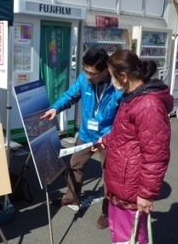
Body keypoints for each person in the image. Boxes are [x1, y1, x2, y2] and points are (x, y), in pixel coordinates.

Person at [93, 50, 173, 243]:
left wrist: (146, 194)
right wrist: (105, 141)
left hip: (131, 187)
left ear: (123, 76)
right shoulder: (133, 97)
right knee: (122, 234)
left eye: (112, 76)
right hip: (122, 182)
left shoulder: (148, 105)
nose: (111, 81)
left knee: (132, 237)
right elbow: (125, 135)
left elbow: (156, 155)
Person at [41, 48, 123, 229]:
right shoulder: (83, 80)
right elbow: (70, 96)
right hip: (86, 134)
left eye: (92, 73)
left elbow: (123, 118)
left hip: (108, 138)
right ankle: (71, 196)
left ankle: (107, 212)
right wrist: (56, 108)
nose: (87, 76)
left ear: (105, 71)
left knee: (110, 177)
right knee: (74, 165)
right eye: (85, 71)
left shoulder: (117, 87)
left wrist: (109, 138)